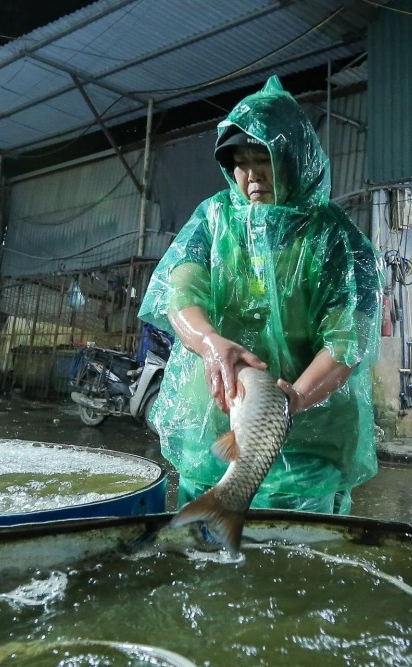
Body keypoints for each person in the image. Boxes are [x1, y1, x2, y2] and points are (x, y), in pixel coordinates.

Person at [138, 76, 384, 514]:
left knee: (291, 569)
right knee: (204, 556)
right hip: (214, 431)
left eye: (264, 158)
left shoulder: (336, 239)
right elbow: (179, 290)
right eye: (240, 162)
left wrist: (295, 400)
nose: (251, 176)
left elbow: (348, 342)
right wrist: (210, 344)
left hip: (309, 448)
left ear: (294, 159)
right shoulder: (214, 219)